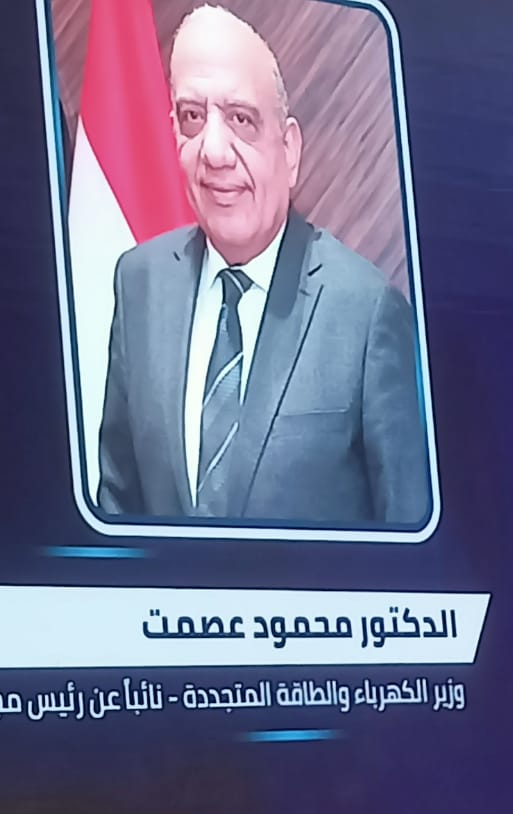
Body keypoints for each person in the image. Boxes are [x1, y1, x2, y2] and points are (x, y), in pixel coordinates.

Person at [96, 4, 430, 528]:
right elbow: (117, 507)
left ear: (289, 149)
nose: (214, 151)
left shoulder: (367, 315)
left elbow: (409, 538)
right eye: (192, 117)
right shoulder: (140, 285)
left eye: (241, 119)